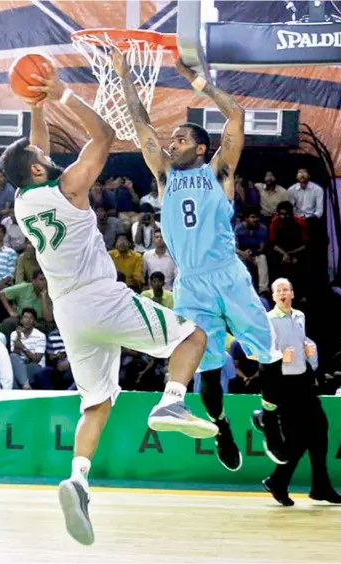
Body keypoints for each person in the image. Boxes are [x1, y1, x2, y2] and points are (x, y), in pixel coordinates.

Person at [0, 60, 217, 546]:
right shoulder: (68, 188)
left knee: (96, 403)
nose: (48, 154)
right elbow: (104, 137)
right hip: (100, 296)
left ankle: (78, 478)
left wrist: (37, 107)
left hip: (69, 313)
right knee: (192, 337)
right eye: (41, 154)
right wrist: (61, 94)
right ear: (38, 168)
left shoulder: (22, 199)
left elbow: (35, 150)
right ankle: (172, 403)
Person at [116, 49, 288, 472]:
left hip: (227, 274)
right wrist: (124, 75)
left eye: (180, 138)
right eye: (171, 138)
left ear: (200, 146)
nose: (171, 142)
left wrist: (199, 82)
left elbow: (236, 118)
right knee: (207, 368)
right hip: (189, 282)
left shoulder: (219, 171)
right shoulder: (163, 175)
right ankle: (221, 427)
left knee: (267, 353)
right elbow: (141, 127)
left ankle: (269, 414)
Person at [252, 278, 341, 506]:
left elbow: (300, 342)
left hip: (303, 382)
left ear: (292, 293)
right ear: (273, 296)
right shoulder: (268, 321)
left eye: (286, 289)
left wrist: (309, 351)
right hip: (282, 385)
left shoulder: (299, 316)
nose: (283, 293)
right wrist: (279, 359)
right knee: (298, 439)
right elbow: (257, 352)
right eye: (278, 291)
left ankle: (312, 485)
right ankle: (283, 481)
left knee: (318, 432)